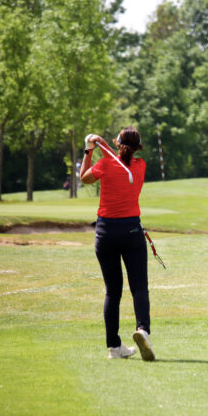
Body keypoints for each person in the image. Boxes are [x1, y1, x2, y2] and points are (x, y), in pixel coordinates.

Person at [80, 127, 156, 361]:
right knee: (139, 287)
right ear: (138, 148)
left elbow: (84, 178)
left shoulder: (105, 164)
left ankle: (114, 347)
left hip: (105, 233)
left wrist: (89, 150)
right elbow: (120, 159)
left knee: (113, 292)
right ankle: (142, 329)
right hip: (131, 231)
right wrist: (103, 145)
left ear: (117, 143)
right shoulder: (140, 166)